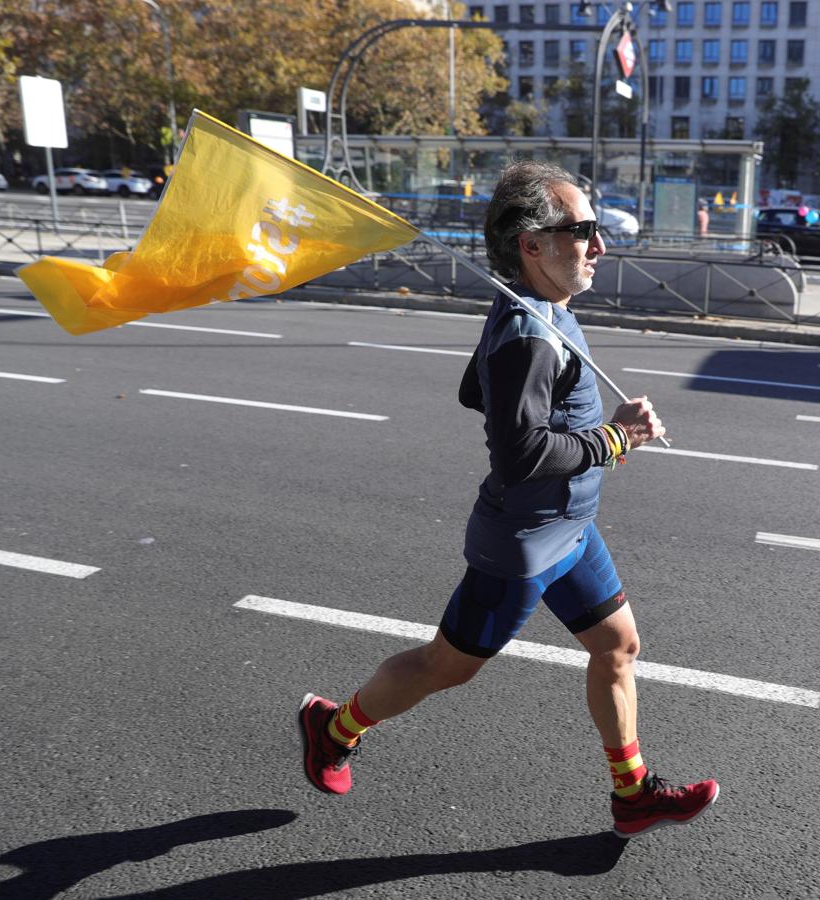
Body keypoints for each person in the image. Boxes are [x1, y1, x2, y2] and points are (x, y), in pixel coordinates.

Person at [298, 160, 719, 840]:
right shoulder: (529, 336)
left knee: (617, 646)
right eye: (583, 230)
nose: (599, 245)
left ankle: (633, 792)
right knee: (445, 668)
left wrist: (581, 419)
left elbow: (477, 393)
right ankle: (333, 726)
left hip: (572, 529)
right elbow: (520, 457)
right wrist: (616, 436)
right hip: (521, 545)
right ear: (533, 243)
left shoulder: (537, 310)